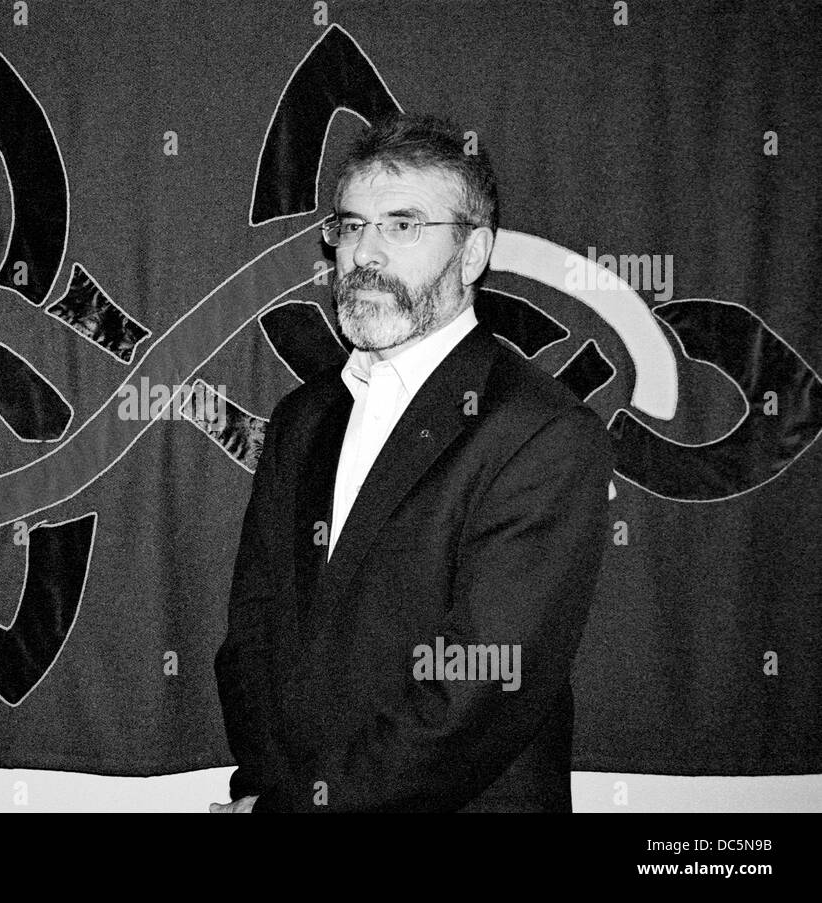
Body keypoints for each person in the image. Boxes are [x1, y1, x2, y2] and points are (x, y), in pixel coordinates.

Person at [211, 114, 614, 813]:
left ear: (472, 252)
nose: (364, 253)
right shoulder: (301, 421)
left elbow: (481, 688)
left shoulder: (540, 431)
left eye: (402, 225)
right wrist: (266, 788)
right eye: (350, 225)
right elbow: (253, 631)